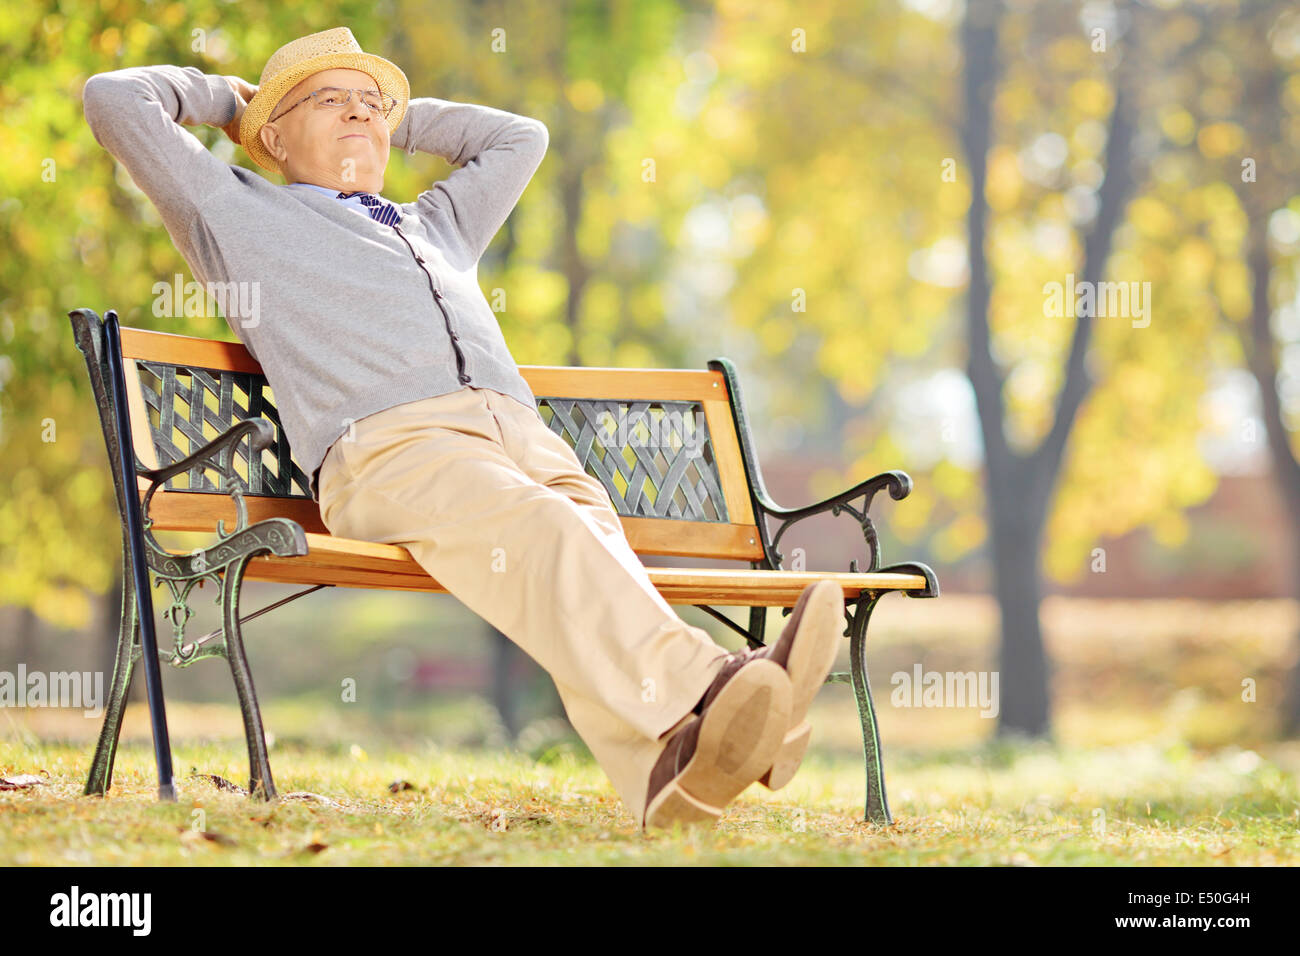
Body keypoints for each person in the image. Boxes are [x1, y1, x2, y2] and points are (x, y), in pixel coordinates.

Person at [82, 25, 845, 830]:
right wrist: (229, 101)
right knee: (548, 530)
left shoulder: (436, 223)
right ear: (271, 134)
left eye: (369, 103)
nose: (358, 115)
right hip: (389, 449)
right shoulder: (232, 210)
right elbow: (114, 100)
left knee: (589, 548)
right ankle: (727, 687)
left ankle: (674, 769)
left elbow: (519, 138)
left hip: (520, 437)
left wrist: (394, 116)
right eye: (328, 100)